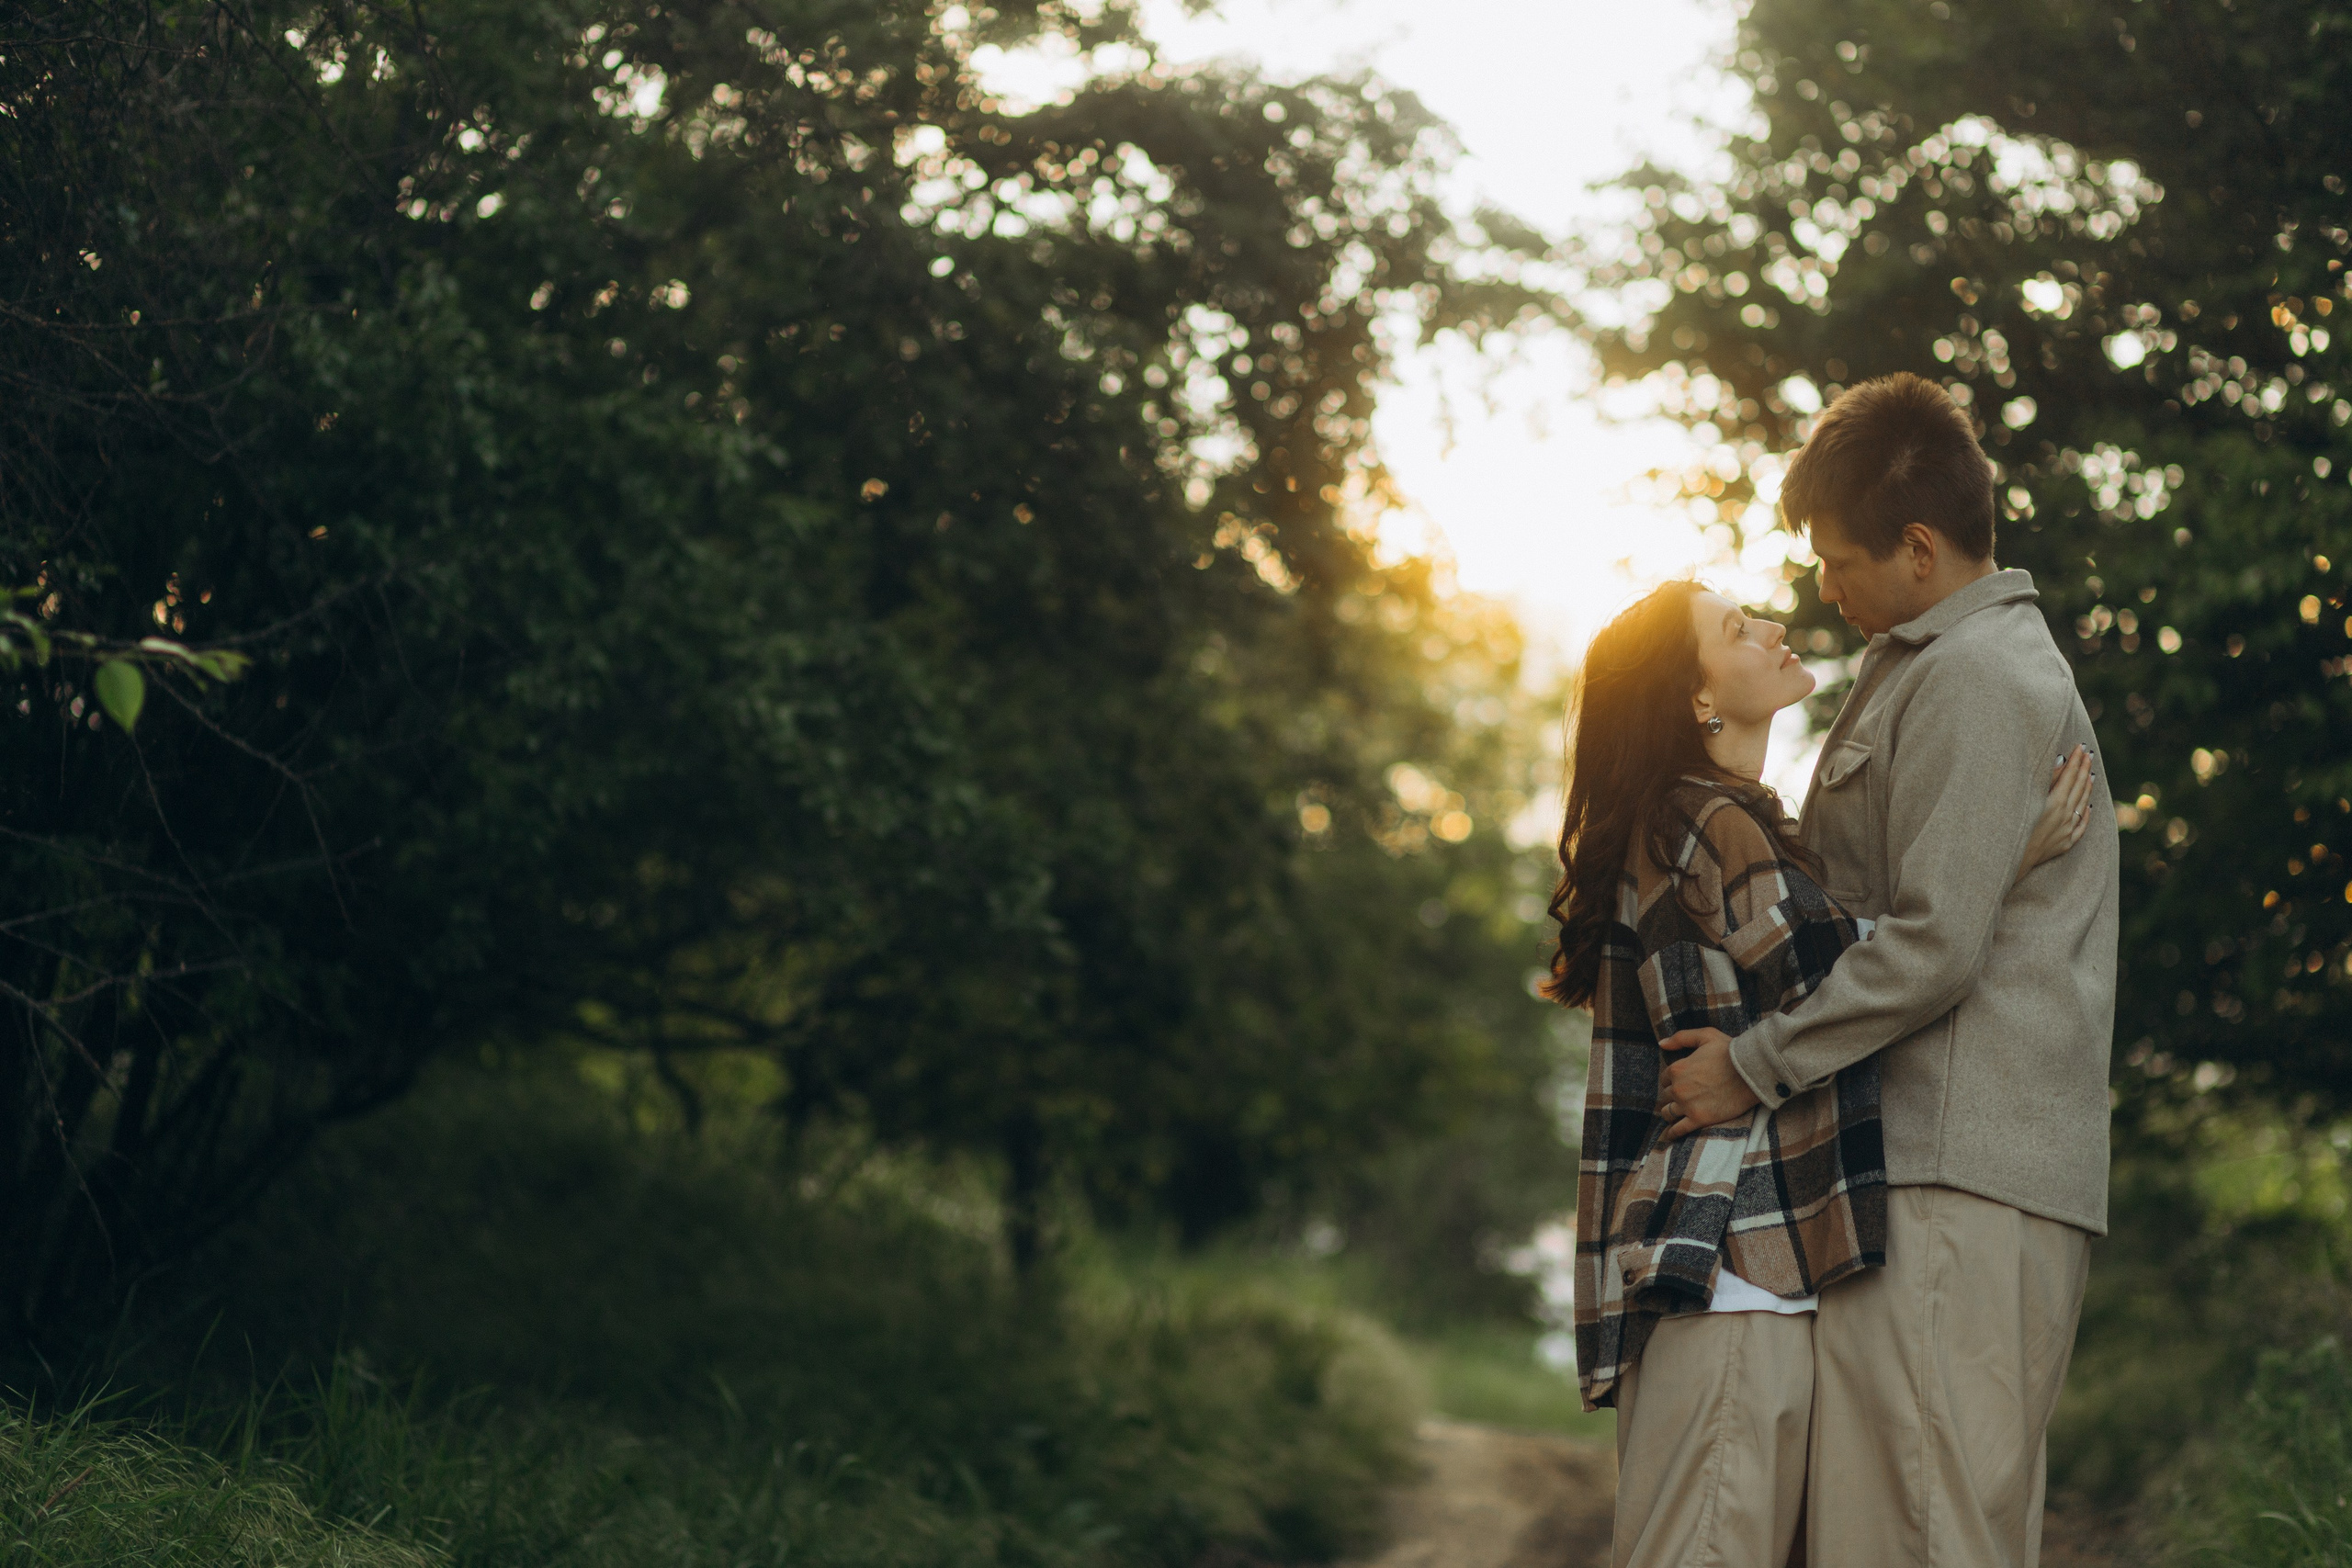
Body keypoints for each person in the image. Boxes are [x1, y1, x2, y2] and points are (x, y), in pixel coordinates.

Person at [1650, 372, 2120, 1567]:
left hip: (1952, 1172)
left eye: (1836, 558)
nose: (1821, 586)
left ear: (1917, 548)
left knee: (1915, 1531)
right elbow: (1888, 900)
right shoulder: (1927, 658)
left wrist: (1752, 1066)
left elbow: (1929, 944)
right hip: (1937, 1171)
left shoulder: (1974, 675)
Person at [1546, 571, 2094, 1568]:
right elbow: (1841, 972)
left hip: (1757, 1272)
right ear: (1695, 698)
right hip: (1731, 1269)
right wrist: (2001, 865)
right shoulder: (1704, 818)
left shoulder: (1728, 820)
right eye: (1735, 627)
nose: (1772, 626)